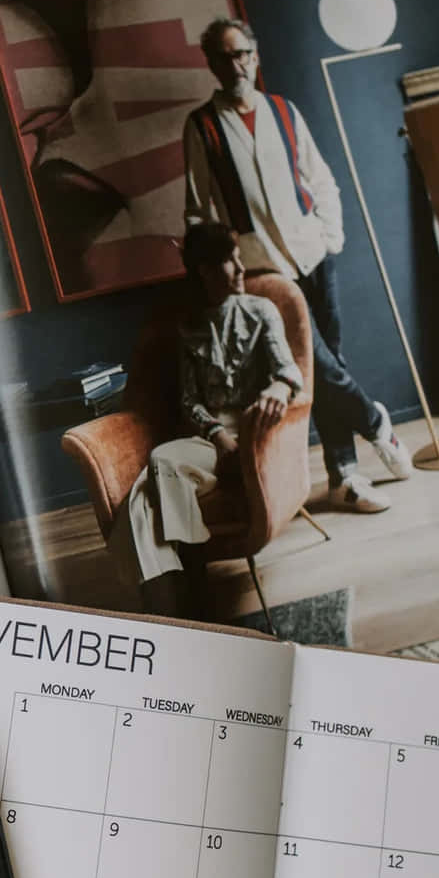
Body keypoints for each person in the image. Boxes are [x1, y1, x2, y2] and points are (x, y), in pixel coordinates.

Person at [184, 16, 411, 510]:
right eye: (224, 56)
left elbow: (322, 179)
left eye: (242, 52)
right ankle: (376, 423)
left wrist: (330, 238)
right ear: (212, 64)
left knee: (332, 359)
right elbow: (199, 211)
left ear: (256, 55)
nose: (236, 63)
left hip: (314, 257)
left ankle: (345, 476)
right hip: (263, 273)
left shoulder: (284, 112)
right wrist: (226, 274)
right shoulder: (202, 126)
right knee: (315, 369)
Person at [110, 223, 304, 616]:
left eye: (237, 258)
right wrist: (217, 435)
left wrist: (279, 389)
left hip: (252, 433)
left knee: (147, 489)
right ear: (205, 271)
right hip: (207, 438)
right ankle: (184, 585)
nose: (240, 268)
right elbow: (188, 401)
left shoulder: (260, 310)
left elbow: (288, 369)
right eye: (229, 261)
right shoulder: (190, 327)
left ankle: (170, 596)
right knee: (155, 475)